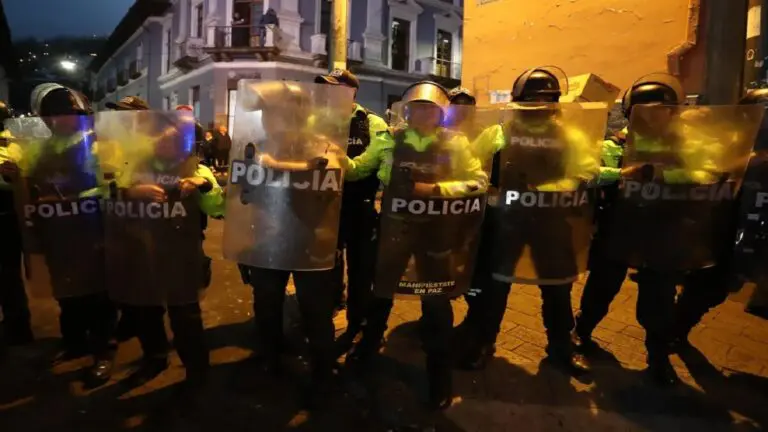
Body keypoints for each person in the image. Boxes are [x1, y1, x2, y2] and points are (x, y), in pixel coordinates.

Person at [342, 81, 488, 410]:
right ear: (407, 112)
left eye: (430, 109)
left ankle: (439, 374)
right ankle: (368, 348)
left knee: (435, 302)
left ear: (440, 113)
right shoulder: (389, 140)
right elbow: (360, 170)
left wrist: (437, 190)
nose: (423, 114)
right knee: (381, 292)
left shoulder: (455, 143)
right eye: (417, 108)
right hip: (395, 229)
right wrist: (333, 159)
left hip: (435, 232)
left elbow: (478, 182)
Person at [456, 69, 597, 376]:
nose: (538, 107)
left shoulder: (569, 136)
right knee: (496, 284)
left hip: (552, 218)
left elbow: (586, 171)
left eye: (545, 101)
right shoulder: (498, 133)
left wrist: (553, 187)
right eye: (532, 101)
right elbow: (470, 165)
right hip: (506, 219)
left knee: (557, 286)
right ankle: (484, 342)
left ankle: (562, 347)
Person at [229, 81, 348, 408]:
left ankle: (323, 374)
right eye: (266, 114)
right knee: (266, 304)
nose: (270, 120)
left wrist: (275, 166)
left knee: (316, 311)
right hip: (268, 239)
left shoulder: (323, 145)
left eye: (276, 113)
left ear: (298, 115)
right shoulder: (257, 146)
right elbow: (241, 192)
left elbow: (329, 172)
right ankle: (270, 359)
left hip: (312, 242)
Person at [1, 84, 117, 387]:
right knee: (66, 292)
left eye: (67, 113)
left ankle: (104, 350)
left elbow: (112, 185)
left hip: (93, 229)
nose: (59, 119)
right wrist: (16, 177)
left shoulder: (98, 145)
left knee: (98, 295)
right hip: (58, 232)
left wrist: (73, 197)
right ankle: (74, 342)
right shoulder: (40, 149)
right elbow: (30, 184)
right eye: (53, 114)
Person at [103, 104, 224, 392]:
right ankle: (155, 358)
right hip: (143, 251)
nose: (165, 144)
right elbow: (106, 195)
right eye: (160, 139)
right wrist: (131, 191)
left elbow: (218, 208)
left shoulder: (195, 168)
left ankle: (196, 368)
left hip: (182, 255)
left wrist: (203, 185)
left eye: (172, 140)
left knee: (186, 315)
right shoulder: (133, 168)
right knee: (146, 311)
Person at [314, 69, 388, 349]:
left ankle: (359, 324)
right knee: (326, 266)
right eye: (326, 88)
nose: (328, 93)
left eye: (335, 88)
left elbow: (367, 166)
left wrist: (338, 159)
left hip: (360, 207)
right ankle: (327, 316)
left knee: (362, 270)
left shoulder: (372, 122)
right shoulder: (316, 121)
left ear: (352, 92)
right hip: (324, 207)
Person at [0, 100, 34, 347]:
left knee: (7, 274)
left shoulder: (12, 143)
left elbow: (20, 176)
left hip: (5, 213)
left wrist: (12, 175)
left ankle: (18, 327)